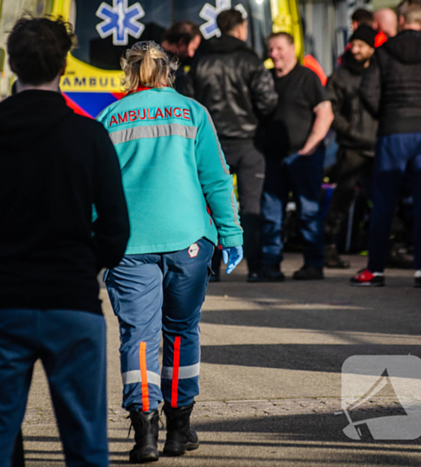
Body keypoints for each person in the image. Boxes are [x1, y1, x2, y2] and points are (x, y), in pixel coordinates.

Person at [0, 17, 130, 467]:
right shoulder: (88, 135)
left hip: (2, 303)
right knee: (86, 443)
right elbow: (116, 229)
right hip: (73, 302)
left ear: (12, 64)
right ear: (64, 65)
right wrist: (83, 264)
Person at [96, 41, 243, 463]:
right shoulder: (192, 112)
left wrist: (91, 239)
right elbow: (216, 179)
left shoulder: (109, 117)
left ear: (129, 72)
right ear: (168, 71)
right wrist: (231, 234)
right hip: (188, 240)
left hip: (129, 245)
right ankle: (179, 430)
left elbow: (94, 188)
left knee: (139, 338)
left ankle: (145, 433)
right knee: (181, 332)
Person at [353, 0, 421, 288]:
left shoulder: (384, 52)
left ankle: (375, 270)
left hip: (392, 132)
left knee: (384, 202)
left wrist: (386, 114)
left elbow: (367, 92)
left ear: (401, 21)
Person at [190, 8, 278, 281]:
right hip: (249, 143)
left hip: (212, 143)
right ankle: (256, 269)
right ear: (241, 28)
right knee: (251, 207)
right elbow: (268, 101)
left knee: (212, 205)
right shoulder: (250, 60)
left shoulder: (202, 61)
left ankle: (211, 268)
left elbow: (191, 101)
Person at [254, 32, 334, 282]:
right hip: (272, 157)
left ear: (293, 48)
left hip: (304, 157)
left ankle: (313, 264)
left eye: (279, 48)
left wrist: (309, 147)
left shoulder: (306, 77)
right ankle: (270, 265)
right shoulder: (265, 78)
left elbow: (326, 113)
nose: (274, 54)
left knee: (308, 211)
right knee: (271, 213)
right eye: (270, 49)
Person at [324, 25, 378, 269]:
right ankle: (327, 246)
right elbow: (331, 111)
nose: (355, 49)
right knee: (341, 198)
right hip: (352, 148)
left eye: (361, 45)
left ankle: (390, 245)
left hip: (376, 146)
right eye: (353, 44)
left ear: (371, 48)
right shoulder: (340, 76)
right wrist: (350, 133)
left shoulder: (380, 73)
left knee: (384, 199)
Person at [161, 20, 202, 95]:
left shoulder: (181, 62)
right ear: (181, 42)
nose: (191, 54)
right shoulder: (156, 61)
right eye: (192, 49)